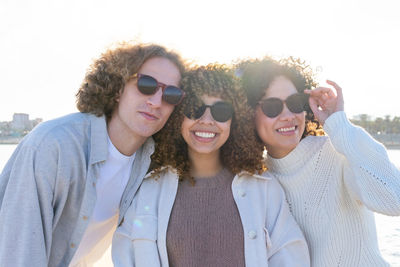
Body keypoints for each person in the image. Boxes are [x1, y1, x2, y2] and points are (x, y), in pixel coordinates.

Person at [0, 42, 186, 266]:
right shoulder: (54, 146)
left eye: (172, 94)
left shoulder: (151, 165)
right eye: (146, 84)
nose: (156, 102)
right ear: (118, 88)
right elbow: (19, 252)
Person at [112, 64, 310, 267]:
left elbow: (291, 257)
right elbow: (125, 257)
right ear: (178, 117)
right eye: (194, 109)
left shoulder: (264, 189)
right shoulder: (150, 189)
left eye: (221, 111)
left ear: (235, 120)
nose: (207, 121)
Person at [238, 57, 400, 266]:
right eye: (272, 106)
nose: (288, 115)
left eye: (295, 103)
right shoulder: (256, 182)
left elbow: (395, 200)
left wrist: (339, 124)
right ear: (248, 114)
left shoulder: (337, 152)